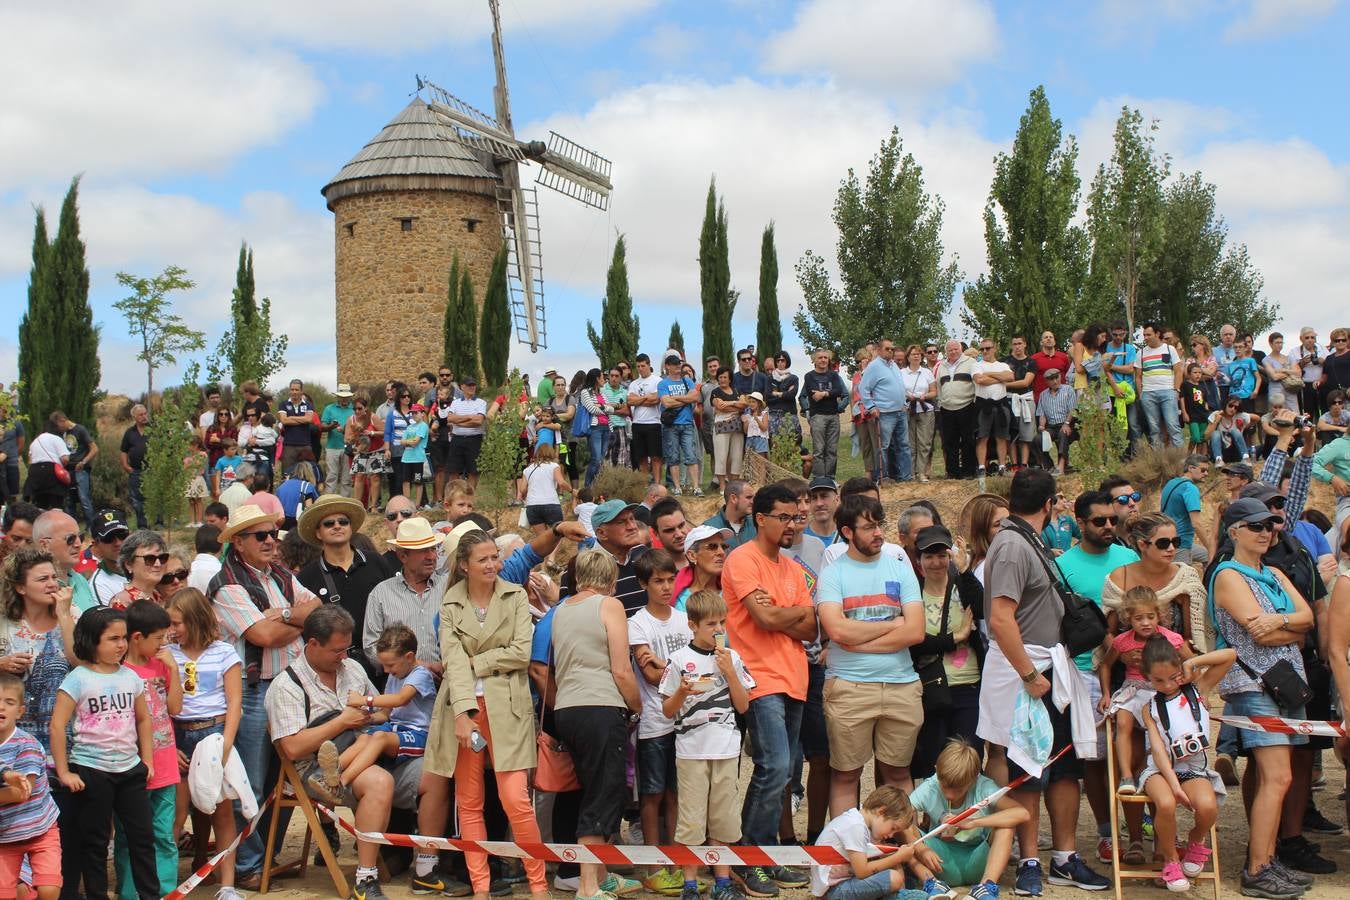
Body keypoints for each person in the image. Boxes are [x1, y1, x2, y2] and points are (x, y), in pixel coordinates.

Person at [975, 468, 1108, 895]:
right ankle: (1031, 858)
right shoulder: (1013, 545)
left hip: (1052, 668)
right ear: (1050, 504)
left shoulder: (1028, 540)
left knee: (1065, 768)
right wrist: (1030, 675)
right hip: (1031, 672)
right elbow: (1000, 618)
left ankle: (1065, 858)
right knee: (1029, 768)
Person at [209, 503, 323, 886]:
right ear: (238, 543)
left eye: (273, 534)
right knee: (251, 781)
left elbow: (318, 609)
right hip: (253, 690)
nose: (271, 541)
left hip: (286, 686)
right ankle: (247, 865)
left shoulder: (279, 574)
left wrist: (285, 615)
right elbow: (263, 636)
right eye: (261, 535)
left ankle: (264, 852)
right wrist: (296, 616)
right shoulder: (226, 585)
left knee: (284, 779)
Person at [1208, 498, 1316, 898]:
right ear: (1234, 531)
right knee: (1278, 777)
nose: (1266, 532)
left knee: (1279, 778)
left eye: (1270, 525)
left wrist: (1283, 622)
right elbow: (1261, 634)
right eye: (1256, 526)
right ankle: (1257, 868)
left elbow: (1307, 622)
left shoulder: (1271, 572)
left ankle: (1266, 861)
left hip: (1282, 683)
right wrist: (1290, 626)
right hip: (1255, 685)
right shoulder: (1228, 575)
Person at [721, 483, 815, 898]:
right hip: (759, 679)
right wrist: (789, 613)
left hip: (794, 677)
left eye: (797, 517)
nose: (793, 525)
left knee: (787, 771)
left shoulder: (792, 568)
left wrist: (786, 613)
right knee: (773, 766)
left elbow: (812, 626)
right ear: (760, 519)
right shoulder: (742, 560)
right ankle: (749, 857)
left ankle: (767, 854)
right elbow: (761, 617)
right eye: (785, 517)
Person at [264, 604, 395, 899]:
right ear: (312, 644)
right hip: (310, 770)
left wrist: (365, 716)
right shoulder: (285, 686)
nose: (344, 656)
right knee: (379, 782)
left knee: (405, 773)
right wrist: (342, 721)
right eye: (337, 650)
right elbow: (293, 747)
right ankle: (366, 877)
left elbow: (383, 711)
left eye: (347, 648)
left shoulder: (352, 668)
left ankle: (385, 869)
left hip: (359, 751)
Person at [815, 496, 924, 811]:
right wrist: (893, 625)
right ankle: (845, 856)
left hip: (901, 685)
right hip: (849, 688)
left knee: (899, 773)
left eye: (880, 525)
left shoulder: (901, 569)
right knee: (846, 775)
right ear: (848, 532)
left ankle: (903, 853)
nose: (878, 533)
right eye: (868, 527)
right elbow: (836, 631)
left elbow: (915, 631)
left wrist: (855, 639)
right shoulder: (833, 574)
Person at [550, 548, 644, 900]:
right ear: (611, 579)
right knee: (604, 794)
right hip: (601, 705)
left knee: (592, 789)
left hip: (568, 709)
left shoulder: (561, 611)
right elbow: (621, 668)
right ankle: (588, 886)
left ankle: (601, 877)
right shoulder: (610, 606)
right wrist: (637, 706)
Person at [48, 608, 158, 900]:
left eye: (123, 638)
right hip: (91, 769)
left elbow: (144, 719)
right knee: (94, 842)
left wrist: (147, 760)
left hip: (130, 768)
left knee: (143, 838)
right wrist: (64, 771)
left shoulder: (130, 677)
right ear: (92, 640)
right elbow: (57, 725)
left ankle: (151, 895)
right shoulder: (78, 678)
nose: (121, 645)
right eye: (112, 639)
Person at [659, 588, 754, 900]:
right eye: (711, 624)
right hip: (691, 752)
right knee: (691, 820)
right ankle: (689, 883)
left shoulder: (733, 658)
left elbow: (743, 706)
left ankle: (723, 882)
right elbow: (667, 710)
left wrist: (729, 672)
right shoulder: (678, 660)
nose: (718, 630)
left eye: (722, 623)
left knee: (724, 820)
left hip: (726, 748)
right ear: (693, 625)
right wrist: (683, 693)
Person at [1135, 636, 1233, 893]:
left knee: (1208, 805)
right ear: (1147, 677)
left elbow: (1230, 656)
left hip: (1193, 768)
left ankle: (1196, 839)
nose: (1167, 685)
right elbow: (1157, 750)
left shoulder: (1197, 690)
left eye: (1173, 677)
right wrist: (1173, 785)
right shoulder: (1150, 707)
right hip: (1160, 769)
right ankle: (1170, 859)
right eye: (1158, 680)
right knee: (1165, 803)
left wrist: (1194, 662)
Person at [165, 587, 243, 893]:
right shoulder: (167, 653)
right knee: (177, 813)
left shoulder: (224, 652)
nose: (172, 630)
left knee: (221, 811)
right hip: (178, 733)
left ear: (195, 620)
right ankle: (168, 884)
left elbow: (234, 703)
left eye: (177, 623)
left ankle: (227, 885)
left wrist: (224, 745)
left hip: (212, 734)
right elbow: (160, 704)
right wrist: (170, 746)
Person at [628, 550, 693, 896]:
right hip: (654, 721)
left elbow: (696, 667)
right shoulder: (637, 624)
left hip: (684, 721)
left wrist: (664, 664)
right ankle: (654, 866)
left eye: (670, 580)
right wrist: (675, 670)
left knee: (675, 793)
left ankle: (676, 860)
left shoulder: (684, 619)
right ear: (644, 584)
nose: (666, 587)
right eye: (658, 581)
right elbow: (651, 678)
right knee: (651, 795)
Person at [307, 624, 432, 803]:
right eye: (384, 666)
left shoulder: (420, 674)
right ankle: (326, 774)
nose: (387, 671)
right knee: (364, 738)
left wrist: (365, 700)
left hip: (418, 733)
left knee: (380, 736)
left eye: (390, 665)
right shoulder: (395, 675)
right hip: (394, 727)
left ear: (409, 657)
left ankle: (340, 783)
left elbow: (400, 699)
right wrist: (366, 718)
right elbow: (385, 714)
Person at [109, 601, 182, 899]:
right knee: (128, 834)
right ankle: (130, 893)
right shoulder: (119, 670)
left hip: (165, 764)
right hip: (132, 766)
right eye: (159, 638)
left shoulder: (162, 664)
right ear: (137, 637)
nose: (164, 643)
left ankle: (165, 891)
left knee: (164, 834)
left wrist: (173, 671)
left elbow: (175, 708)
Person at [1097, 587, 1191, 795]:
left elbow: (1191, 662)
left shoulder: (1172, 639)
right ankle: (1126, 776)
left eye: (1150, 617)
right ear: (1128, 618)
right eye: (1139, 618)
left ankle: (1162, 771)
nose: (1146, 623)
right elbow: (1105, 665)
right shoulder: (1123, 641)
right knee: (1122, 722)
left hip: (1161, 692)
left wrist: (1189, 688)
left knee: (1160, 731)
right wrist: (1105, 693)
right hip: (1133, 689)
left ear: (1159, 615)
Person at [908, 739, 1030, 898]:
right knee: (903, 828)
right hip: (939, 862)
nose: (949, 794)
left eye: (958, 789)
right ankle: (930, 881)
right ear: (937, 771)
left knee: (1006, 827)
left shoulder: (983, 786)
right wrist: (921, 849)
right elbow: (899, 815)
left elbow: (1022, 813)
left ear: (974, 778)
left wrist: (974, 822)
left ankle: (987, 886)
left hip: (977, 860)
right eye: (944, 785)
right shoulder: (931, 786)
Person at [909, 526, 983, 781]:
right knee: (934, 764)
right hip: (931, 688)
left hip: (968, 685)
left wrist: (965, 569)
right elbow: (915, 641)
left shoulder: (962, 587)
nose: (936, 562)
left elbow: (984, 610)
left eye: (942, 555)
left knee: (969, 761)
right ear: (918, 561)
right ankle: (936, 820)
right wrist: (956, 638)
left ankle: (970, 820)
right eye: (929, 556)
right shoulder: (912, 594)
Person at [295, 494, 389, 680]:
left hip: (385, 663)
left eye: (343, 521)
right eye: (329, 523)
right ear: (318, 532)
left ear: (351, 527)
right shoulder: (307, 577)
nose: (337, 526)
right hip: (338, 667)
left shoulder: (376, 562)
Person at [0, 670, 62, 900]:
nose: (2, 707)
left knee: (48, 888)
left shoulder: (27, 744)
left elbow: (19, 793)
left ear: (20, 711)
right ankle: (24, 891)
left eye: (9, 702)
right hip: (5, 836)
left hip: (40, 830)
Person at [809, 785, 932, 900]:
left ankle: (900, 894)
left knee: (899, 876)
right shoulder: (855, 826)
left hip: (844, 882)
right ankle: (900, 896)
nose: (891, 835)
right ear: (881, 812)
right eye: (893, 828)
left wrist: (891, 856)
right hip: (834, 890)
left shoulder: (862, 823)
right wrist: (897, 858)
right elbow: (862, 871)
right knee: (894, 877)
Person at [1104, 513, 1207, 648]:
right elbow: (1108, 633)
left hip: (1174, 661)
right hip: (1125, 664)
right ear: (1142, 545)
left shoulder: (1185, 578)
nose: (1171, 549)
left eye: (1175, 542)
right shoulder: (1119, 577)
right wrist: (1124, 656)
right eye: (1163, 543)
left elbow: (1191, 637)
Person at [859, 339, 910, 484]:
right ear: (879, 350)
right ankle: (883, 476)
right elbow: (863, 389)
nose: (890, 351)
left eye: (892, 349)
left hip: (900, 411)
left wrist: (904, 402)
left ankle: (905, 476)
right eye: (887, 349)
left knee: (903, 444)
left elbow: (899, 386)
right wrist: (871, 407)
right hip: (885, 412)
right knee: (883, 446)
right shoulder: (874, 367)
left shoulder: (893, 365)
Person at [32, 510, 97, 615]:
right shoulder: (37, 589)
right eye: (70, 539)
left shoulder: (80, 579)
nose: (78, 544)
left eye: (80, 537)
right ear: (44, 545)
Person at [659, 352, 703, 497]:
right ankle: (677, 487)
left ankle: (696, 487)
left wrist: (676, 398)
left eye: (678, 363)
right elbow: (666, 402)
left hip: (687, 424)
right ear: (667, 366)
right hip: (671, 425)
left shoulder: (687, 380)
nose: (677, 366)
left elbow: (695, 397)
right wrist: (686, 398)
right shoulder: (663, 383)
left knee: (691, 455)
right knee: (673, 457)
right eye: (673, 363)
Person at [1135, 322, 1185, 447]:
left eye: (1148, 335)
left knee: (1173, 425)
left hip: (1168, 391)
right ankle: (1159, 460)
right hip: (1148, 393)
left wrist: (1176, 390)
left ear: (1157, 334)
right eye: (1144, 335)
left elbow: (1178, 371)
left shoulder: (1169, 349)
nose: (1145, 338)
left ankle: (1182, 460)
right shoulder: (1140, 353)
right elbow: (1138, 376)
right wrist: (1141, 395)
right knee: (1154, 429)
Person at [1161, 454, 1214, 565]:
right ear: (1190, 468)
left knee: (1206, 556)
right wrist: (1211, 548)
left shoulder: (1171, 483)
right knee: (1183, 580)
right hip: (1181, 543)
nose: (1206, 474)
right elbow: (1196, 524)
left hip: (1166, 540)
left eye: (1207, 471)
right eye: (1203, 470)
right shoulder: (1190, 488)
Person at [937, 339, 977, 479]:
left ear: (961, 350)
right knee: (949, 441)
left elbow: (976, 383)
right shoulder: (941, 366)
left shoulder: (971, 363)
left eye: (956, 349)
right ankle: (952, 472)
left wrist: (974, 401)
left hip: (966, 405)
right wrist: (941, 403)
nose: (953, 352)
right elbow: (939, 386)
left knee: (968, 440)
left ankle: (968, 471)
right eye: (950, 350)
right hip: (947, 408)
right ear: (946, 352)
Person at [802, 350, 845, 477]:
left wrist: (824, 393)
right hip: (818, 416)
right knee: (819, 450)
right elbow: (813, 395)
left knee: (832, 450)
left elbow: (839, 391)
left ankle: (830, 478)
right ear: (814, 360)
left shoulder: (834, 375)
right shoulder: (809, 376)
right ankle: (819, 479)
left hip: (833, 415)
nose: (823, 360)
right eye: (820, 357)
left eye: (825, 357)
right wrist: (830, 393)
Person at [51, 410, 98, 528]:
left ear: (62, 421)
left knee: (84, 499)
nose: (58, 428)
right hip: (67, 469)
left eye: (58, 425)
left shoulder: (80, 430)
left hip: (80, 469)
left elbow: (94, 448)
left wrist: (83, 461)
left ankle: (91, 527)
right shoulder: (62, 435)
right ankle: (72, 527)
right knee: (69, 500)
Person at [899, 345, 937, 483]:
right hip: (907, 410)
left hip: (925, 410)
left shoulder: (927, 372)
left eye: (918, 354)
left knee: (924, 442)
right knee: (909, 443)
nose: (916, 356)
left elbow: (934, 392)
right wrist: (906, 395)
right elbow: (897, 390)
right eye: (913, 354)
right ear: (908, 357)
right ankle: (911, 472)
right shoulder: (901, 373)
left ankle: (921, 472)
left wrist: (924, 396)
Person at [108, 529, 169, 610]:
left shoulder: (160, 598)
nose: (158, 564)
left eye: (162, 558)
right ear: (129, 564)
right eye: (149, 559)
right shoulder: (122, 604)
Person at [446, 376, 489, 489]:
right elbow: (450, 419)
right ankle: (455, 497)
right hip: (457, 439)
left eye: (473, 385)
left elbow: (479, 421)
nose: (472, 387)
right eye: (469, 385)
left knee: (473, 471)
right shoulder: (455, 403)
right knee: (454, 470)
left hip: (474, 439)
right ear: (462, 387)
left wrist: (458, 421)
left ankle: (470, 498)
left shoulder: (481, 402)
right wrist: (470, 417)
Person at [629, 354, 665, 484]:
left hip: (653, 423)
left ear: (649, 365)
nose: (640, 368)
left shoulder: (657, 381)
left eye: (642, 366)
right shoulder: (634, 383)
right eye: (638, 366)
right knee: (641, 457)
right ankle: (644, 484)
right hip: (637, 423)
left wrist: (638, 400)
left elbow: (655, 400)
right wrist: (646, 398)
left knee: (655, 457)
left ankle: (657, 484)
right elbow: (630, 400)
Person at [519, 444, 571, 534]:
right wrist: (571, 490)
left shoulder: (527, 469)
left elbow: (522, 489)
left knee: (542, 538)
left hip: (532, 506)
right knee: (558, 535)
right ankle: (555, 549)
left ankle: (548, 549)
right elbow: (561, 482)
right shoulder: (554, 466)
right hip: (551, 503)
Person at [346, 397, 386, 512]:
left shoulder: (372, 417)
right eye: (355, 409)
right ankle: (357, 505)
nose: (357, 411)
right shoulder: (351, 420)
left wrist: (372, 433)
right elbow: (347, 439)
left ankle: (373, 506)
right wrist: (355, 434)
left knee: (375, 477)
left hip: (376, 450)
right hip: (361, 450)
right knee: (359, 476)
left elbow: (384, 432)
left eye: (360, 408)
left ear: (365, 408)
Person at [710, 368, 747, 484]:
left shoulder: (737, 390)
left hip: (737, 427)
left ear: (730, 378)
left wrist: (730, 403)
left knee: (736, 456)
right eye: (720, 377)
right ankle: (722, 487)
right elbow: (721, 407)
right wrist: (737, 406)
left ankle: (734, 484)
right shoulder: (715, 392)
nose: (722, 379)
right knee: (721, 455)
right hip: (721, 427)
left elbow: (745, 404)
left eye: (725, 377)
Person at [320, 384, 356, 498]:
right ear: (338, 397)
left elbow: (359, 426)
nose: (344, 399)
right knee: (331, 475)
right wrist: (332, 426)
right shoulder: (329, 408)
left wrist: (345, 429)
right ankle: (329, 500)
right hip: (332, 446)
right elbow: (323, 426)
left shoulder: (354, 409)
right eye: (342, 396)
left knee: (347, 477)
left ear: (349, 397)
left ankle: (345, 501)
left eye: (346, 397)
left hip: (349, 446)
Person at [87, 510, 129, 605]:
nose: (118, 543)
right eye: (109, 538)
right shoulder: (100, 584)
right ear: (96, 544)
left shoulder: (149, 564)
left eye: (122, 535)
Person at [278, 379, 318, 475]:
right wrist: (302, 419)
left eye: (296, 390)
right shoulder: (283, 404)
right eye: (292, 389)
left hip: (305, 444)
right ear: (289, 390)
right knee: (287, 474)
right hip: (289, 445)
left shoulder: (308, 405)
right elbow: (284, 420)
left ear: (301, 391)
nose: (294, 392)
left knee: (307, 473)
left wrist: (291, 417)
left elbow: (309, 419)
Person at [705, 480, 757, 550]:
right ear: (733, 498)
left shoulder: (757, 525)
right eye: (748, 497)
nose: (753, 501)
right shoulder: (709, 528)